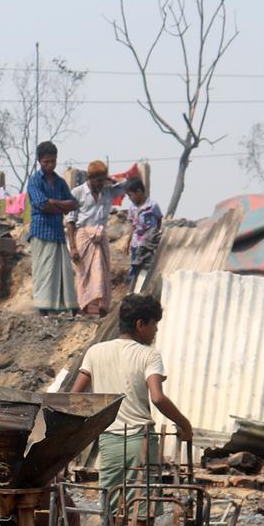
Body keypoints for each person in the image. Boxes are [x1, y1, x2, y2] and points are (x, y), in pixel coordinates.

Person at [70, 293, 192, 503]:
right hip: (140, 439)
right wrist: (185, 424)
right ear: (140, 324)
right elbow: (158, 398)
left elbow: (74, 397)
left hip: (109, 441)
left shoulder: (95, 352)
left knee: (111, 505)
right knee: (141, 508)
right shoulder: (149, 355)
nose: (156, 330)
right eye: (154, 324)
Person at [66, 160, 129, 318]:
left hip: (100, 239)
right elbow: (70, 222)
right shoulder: (77, 192)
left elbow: (128, 186)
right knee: (84, 274)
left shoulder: (108, 191)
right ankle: (85, 308)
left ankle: (100, 309)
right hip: (83, 238)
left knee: (101, 274)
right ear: (90, 178)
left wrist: (111, 180)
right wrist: (73, 247)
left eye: (103, 180)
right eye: (98, 180)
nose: (101, 184)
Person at [25, 141, 78, 315]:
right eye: (46, 161)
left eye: (53, 161)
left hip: (57, 232)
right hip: (41, 231)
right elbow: (42, 205)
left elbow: (73, 203)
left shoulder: (61, 182)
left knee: (61, 272)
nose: (50, 164)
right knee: (43, 272)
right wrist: (60, 206)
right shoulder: (34, 181)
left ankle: (62, 308)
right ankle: (43, 309)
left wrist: (54, 202)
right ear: (40, 161)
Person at [123, 177, 163, 286]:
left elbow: (159, 219)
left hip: (149, 243)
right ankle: (133, 286)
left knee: (148, 265)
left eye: (130, 195)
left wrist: (157, 233)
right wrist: (127, 242)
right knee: (135, 265)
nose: (130, 198)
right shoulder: (132, 208)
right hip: (136, 243)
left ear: (139, 192)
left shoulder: (152, 205)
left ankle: (146, 285)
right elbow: (132, 225)